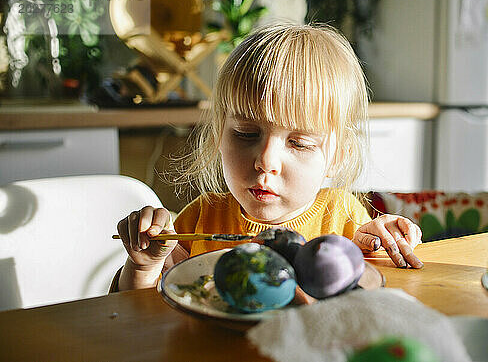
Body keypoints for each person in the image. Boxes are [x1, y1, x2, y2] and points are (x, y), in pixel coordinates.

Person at [114, 23, 423, 292]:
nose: (266, 161)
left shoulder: (342, 219)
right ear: (218, 136)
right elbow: (136, 318)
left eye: (299, 143)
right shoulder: (199, 221)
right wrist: (144, 267)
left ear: (338, 156)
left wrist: (381, 246)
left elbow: (372, 298)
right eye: (246, 133)